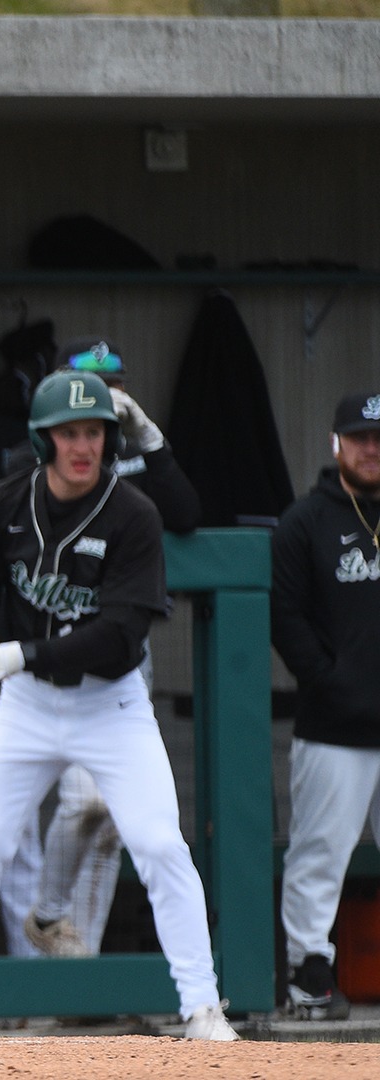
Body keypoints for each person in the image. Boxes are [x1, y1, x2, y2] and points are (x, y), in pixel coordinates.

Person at [0, 370, 238, 1041]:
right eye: (69, 432)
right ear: (44, 439)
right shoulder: (5, 503)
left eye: (94, 431)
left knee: (159, 843)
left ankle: (202, 1007)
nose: (83, 445)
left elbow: (119, 633)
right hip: (27, 711)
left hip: (112, 707)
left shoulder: (134, 514)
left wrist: (10, 656)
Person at [0, 337, 202, 962]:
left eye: (112, 384)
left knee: (101, 816)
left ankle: (71, 955)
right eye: (87, 382)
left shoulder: (132, 460)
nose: (102, 396)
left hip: (114, 669)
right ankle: (43, 943)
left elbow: (189, 514)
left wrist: (151, 441)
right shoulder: (23, 463)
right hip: (30, 671)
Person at [268, 390, 380, 1022]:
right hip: (334, 726)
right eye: (360, 438)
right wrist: (333, 681)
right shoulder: (305, 520)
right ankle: (310, 972)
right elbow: (285, 618)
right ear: (337, 443)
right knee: (319, 853)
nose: (371, 450)